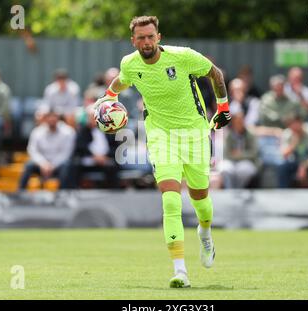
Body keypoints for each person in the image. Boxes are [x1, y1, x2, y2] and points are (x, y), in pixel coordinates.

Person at [89, 16, 231, 288]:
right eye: (140, 38)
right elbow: (123, 80)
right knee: (170, 200)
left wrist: (223, 108)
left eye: (150, 36)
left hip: (195, 134)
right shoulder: (129, 63)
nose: (146, 42)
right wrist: (108, 95)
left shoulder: (183, 57)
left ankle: (205, 232)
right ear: (134, 41)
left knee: (201, 199)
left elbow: (216, 74)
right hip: (160, 137)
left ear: (159, 36)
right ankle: (181, 271)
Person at [18, 107, 76, 190]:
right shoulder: (37, 132)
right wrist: (43, 164)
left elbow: (66, 153)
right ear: (45, 118)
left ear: (58, 117)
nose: (52, 119)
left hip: (58, 165)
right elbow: (32, 150)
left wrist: (52, 166)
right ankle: (20, 193)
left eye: (54, 116)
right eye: (49, 116)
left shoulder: (68, 132)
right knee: (29, 165)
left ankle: (62, 195)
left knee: (67, 166)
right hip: (41, 165)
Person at [73, 109, 120, 188]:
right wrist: (94, 157)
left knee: (113, 166)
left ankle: (113, 191)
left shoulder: (110, 130)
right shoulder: (83, 131)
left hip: (105, 159)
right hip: (89, 159)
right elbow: (80, 147)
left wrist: (104, 157)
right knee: (73, 166)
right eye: (91, 117)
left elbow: (115, 147)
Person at [278, 114, 308, 188]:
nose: (294, 127)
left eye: (295, 124)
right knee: (282, 166)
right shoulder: (287, 134)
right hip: (295, 163)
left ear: (301, 122)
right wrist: (293, 144)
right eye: (291, 125)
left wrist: (304, 166)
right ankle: (284, 192)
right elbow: (284, 154)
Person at [219, 108, 259, 188]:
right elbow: (227, 153)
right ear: (233, 122)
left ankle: (238, 189)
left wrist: (240, 154)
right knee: (225, 168)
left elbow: (254, 153)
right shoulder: (229, 135)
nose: (239, 123)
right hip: (231, 161)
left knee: (243, 170)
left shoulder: (250, 134)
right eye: (237, 121)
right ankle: (229, 190)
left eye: (241, 120)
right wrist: (235, 156)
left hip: (246, 162)